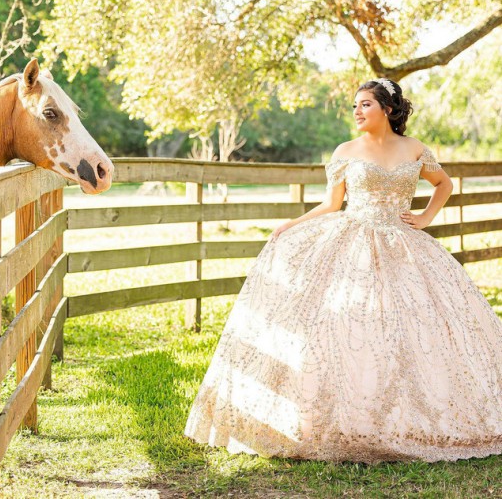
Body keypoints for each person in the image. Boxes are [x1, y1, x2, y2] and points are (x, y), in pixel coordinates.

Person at [184, 78, 502, 464]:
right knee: (347, 324)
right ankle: (338, 417)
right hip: (352, 241)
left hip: (404, 243)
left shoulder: (415, 149)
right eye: (355, 105)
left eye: (365, 104)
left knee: (418, 324)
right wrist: (290, 225)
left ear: (387, 108)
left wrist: (426, 216)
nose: (356, 111)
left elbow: (444, 183)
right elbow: (331, 204)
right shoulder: (346, 151)